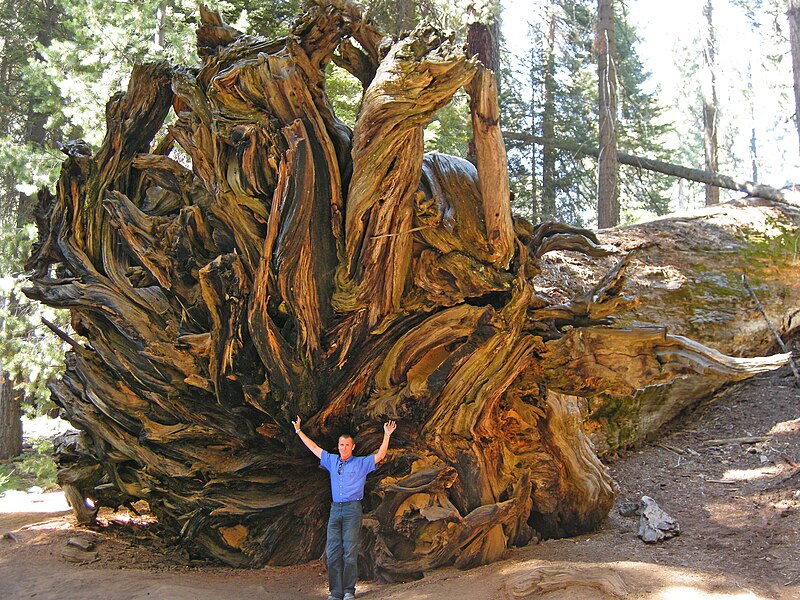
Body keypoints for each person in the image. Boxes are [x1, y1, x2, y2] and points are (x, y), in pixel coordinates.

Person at [292, 416, 397, 600]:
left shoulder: (361, 463)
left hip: (352, 509)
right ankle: (335, 592)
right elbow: (315, 448)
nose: (344, 448)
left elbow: (380, 456)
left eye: (347, 445)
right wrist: (299, 431)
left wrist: (386, 435)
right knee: (333, 551)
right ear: (338, 446)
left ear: (353, 447)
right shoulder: (332, 461)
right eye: (341, 445)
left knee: (349, 551)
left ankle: (348, 590)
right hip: (335, 510)